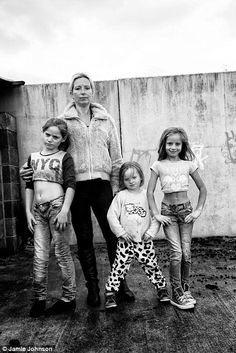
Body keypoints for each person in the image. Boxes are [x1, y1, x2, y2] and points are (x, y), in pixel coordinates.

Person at [21, 73, 134, 307]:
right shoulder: (64, 121)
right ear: (71, 92)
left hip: (103, 186)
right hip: (77, 188)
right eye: (78, 88)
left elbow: (117, 157)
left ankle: (119, 283)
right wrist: (28, 167)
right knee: (84, 238)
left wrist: (115, 187)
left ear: (92, 91)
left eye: (86, 88)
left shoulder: (106, 119)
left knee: (113, 234)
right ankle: (92, 287)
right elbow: (50, 149)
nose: (83, 92)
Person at [147, 127, 207, 310]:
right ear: (164, 144)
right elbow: (149, 192)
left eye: (177, 144)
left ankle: (185, 288)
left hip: (186, 212)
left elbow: (203, 189)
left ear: (183, 145)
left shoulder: (189, 164)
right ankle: (176, 292)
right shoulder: (158, 165)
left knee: (186, 253)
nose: (173, 147)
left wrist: (197, 211)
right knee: (177, 252)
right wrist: (156, 214)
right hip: (168, 213)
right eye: (170, 143)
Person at [25, 118, 76, 317]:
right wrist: (28, 211)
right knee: (39, 255)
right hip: (38, 211)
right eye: (48, 134)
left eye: (56, 137)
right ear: (42, 133)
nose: (50, 139)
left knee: (62, 253)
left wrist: (64, 210)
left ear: (62, 139)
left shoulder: (65, 157)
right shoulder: (33, 157)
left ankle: (69, 298)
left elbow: (71, 184)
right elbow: (29, 185)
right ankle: (39, 299)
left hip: (57, 208)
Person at [104, 161, 169, 309]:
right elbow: (111, 216)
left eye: (134, 177)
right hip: (125, 241)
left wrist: (151, 232)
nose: (131, 181)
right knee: (119, 267)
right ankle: (110, 293)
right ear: (122, 181)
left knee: (151, 265)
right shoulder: (121, 196)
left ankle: (162, 289)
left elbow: (156, 216)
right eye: (126, 179)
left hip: (144, 241)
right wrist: (120, 232)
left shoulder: (147, 195)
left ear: (141, 177)